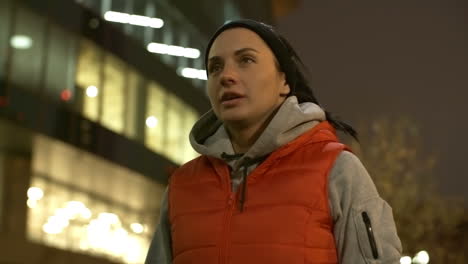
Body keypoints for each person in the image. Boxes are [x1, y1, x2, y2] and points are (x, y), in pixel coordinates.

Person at [145, 19, 402, 264]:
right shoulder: (181, 186)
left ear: (284, 81)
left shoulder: (337, 170)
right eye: (215, 67)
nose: (226, 76)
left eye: (246, 60)